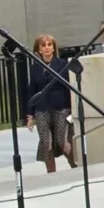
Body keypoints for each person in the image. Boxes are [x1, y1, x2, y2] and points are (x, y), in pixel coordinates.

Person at [25, 34, 76, 172]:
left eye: (49, 45)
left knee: (62, 140)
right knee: (46, 142)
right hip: (42, 108)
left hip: (61, 107)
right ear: (39, 50)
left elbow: (69, 87)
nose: (47, 48)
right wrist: (30, 115)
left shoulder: (62, 64)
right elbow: (32, 90)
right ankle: (51, 173)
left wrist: (73, 108)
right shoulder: (36, 67)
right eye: (43, 45)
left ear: (54, 48)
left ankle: (75, 167)